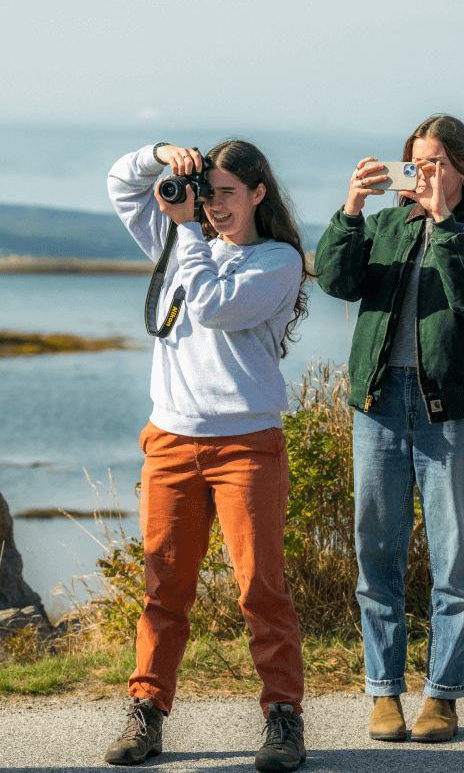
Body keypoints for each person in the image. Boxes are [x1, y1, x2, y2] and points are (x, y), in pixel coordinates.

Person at [103, 140, 310, 772]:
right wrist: (162, 155)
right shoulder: (180, 240)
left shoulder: (279, 261)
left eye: (226, 192)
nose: (213, 205)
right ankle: (146, 713)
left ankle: (283, 719)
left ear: (257, 194)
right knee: (163, 589)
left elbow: (216, 307)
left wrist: (188, 230)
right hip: (170, 439)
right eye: (206, 191)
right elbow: (120, 184)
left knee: (260, 590)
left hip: (246, 445)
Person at [313, 114, 464, 743]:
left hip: (446, 411)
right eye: (416, 161)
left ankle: (444, 696)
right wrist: (351, 210)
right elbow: (335, 280)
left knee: (453, 558)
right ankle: (384, 693)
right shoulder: (382, 225)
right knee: (377, 551)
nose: (424, 173)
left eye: (436, 163)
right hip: (377, 403)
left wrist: (446, 225)